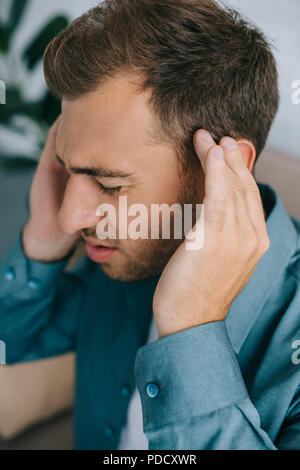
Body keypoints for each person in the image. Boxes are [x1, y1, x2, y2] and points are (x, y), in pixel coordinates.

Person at [1, 0, 300, 450]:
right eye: (68, 169)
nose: (71, 217)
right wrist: (43, 241)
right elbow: (12, 342)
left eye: (108, 184)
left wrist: (191, 328)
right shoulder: (128, 258)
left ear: (219, 170)